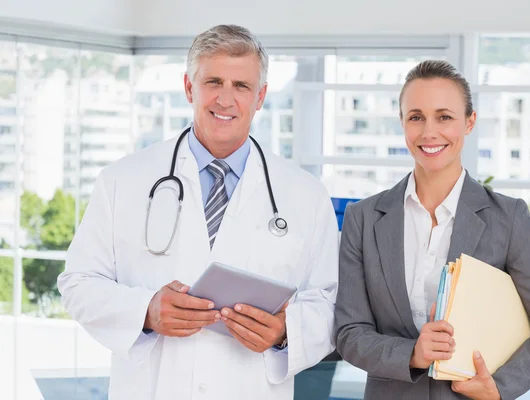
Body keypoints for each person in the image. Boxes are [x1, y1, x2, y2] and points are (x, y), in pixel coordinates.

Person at [57, 24, 339, 400]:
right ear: (190, 88)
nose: (225, 99)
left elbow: (329, 300)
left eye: (241, 86)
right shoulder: (122, 180)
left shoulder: (305, 195)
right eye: (213, 82)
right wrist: (145, 310)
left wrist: (287, 331)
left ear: (261, 97)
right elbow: (78, 282)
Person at [333, 60, 530, 400]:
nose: (429, 132)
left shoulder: (508, 218)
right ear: (402, 123)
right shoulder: (363, 218)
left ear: (469, 122)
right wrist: (413, 354)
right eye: (416, 117)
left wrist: (498, 389)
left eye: (444, 117)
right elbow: (349, 333)